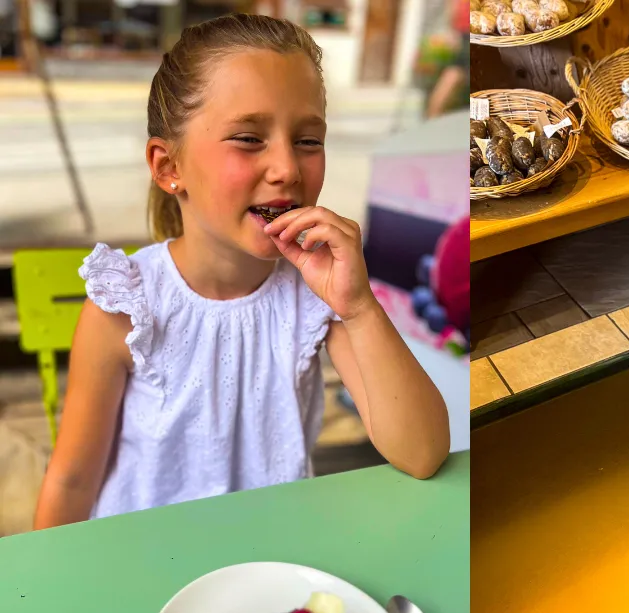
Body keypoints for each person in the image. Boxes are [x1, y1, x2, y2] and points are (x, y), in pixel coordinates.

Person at [33, 14, 450, 528]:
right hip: (138, 561)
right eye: (249, 139)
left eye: (308, 141)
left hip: (269, 563)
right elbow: (73, 480)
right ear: (169, 168)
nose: (288, 169)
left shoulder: (316, 296)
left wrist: (360, 308)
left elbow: (423, 453)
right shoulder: (126, 307)